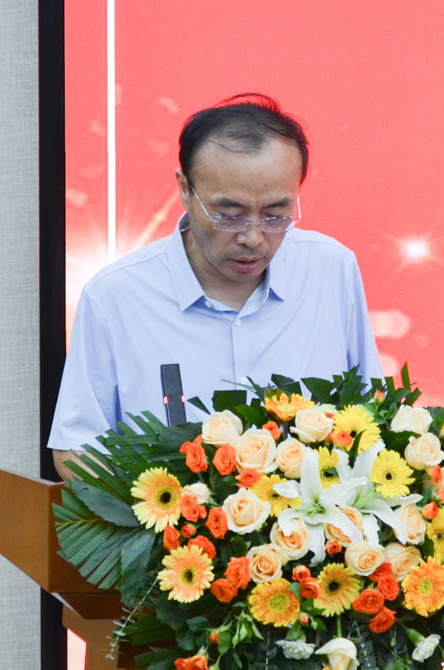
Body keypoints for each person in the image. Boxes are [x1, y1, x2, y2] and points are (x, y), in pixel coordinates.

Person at [49, 93, 383, 480]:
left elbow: (372, 413)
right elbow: (76, 449)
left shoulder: (331, 269)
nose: (253, 238)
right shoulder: (115, 297)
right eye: (229, 215)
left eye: (276, 214)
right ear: (184, 190)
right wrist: (162, 505)